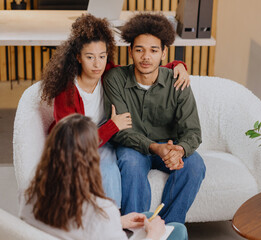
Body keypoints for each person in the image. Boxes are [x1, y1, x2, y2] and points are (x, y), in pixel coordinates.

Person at [40, 14, 190, 208]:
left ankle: (118, 224)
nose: (97, 64)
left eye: (102, 56)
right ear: (78, 57)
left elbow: (143, 70)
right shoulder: (66, 91)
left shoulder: (108, 72)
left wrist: (179, 66)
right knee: (104, 170)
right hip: (74, 146)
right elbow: (74, 142)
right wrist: (113, 126)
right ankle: (112, 227)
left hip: (102, 141)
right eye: (90, 57)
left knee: (111, 170)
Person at [103, 13, 206, 224]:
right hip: (132, 147)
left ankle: (167, 229)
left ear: (164, 53)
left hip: (168, 146)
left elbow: (193, 131)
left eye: (153, 50)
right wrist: (154, 147)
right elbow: (121, 131)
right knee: (130, 163)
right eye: (139, 50)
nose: (146, 57)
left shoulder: (177, 81)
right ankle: (136, 231)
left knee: (195, 164)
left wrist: (180, 150)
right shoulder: (115, 79)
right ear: (130, 51)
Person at [19, 114, 187, 240]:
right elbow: (95, 223)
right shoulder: (101, 209)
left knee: (149, 215)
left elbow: (78, 228)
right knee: (178, 230)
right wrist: (153, 235)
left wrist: (119, 221)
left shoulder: (29, 191)